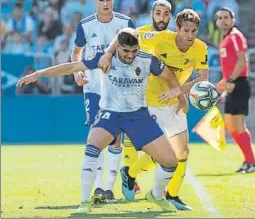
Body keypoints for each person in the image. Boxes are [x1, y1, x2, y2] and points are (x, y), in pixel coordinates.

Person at [17, 28, 184, 213]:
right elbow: (72, 67)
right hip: (110, 114)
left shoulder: (147, 60)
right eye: (125, 51)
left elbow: (169, 75)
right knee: (92, 145)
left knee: (171, 162)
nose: (130, 55)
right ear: (117, 47)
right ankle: (84, 202)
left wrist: (177, 90)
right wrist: (38, 74)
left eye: (133, 51)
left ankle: (156, 195)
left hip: (139, 116)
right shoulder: (105, 58)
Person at [100, 9, 209, 210]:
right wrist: (108, 53)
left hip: (175, 102)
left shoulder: (200, 48)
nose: (190, 35)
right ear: (177, 29)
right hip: (151, 101)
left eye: (194, 31)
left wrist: (179, 93)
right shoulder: (159, 38)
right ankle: (131, 173)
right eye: (186, 30)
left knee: (183, 151)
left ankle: (173, 195)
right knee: (161, 153)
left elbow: (203, 78)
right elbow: (125, 33)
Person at [71, 0, 135, 203]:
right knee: (96, 136)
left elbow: (134, 54)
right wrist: (76, 72)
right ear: (95, 1)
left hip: (119, 89)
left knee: (116, 139)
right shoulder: (86, 25)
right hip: (94, 88)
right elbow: (76, 53)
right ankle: (98, 188)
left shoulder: (126, 22)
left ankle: (108, 188)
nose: (105, 3)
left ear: (114, 0)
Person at [122, 0, 173, 195]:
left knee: (165, 146)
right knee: (134, 142)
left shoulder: (173, 38)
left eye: (166, 14)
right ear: (152, 14)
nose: (161, 17)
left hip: (164, 99)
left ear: (170, 16)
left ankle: (131, 174)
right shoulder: (138, 34)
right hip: (138, 96)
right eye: (158, 13)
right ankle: (132, 177)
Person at [215, 7, 255, 173]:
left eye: (226, 17)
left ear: (232, 19)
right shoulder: (225, 38)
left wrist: (231, 80)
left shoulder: (235, 36)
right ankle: (248, 161)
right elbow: (230, 66)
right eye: (219, 18)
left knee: (239, 126)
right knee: (230, 125)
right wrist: (223, 82)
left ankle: (252, 162)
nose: (223, 20)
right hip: (232, 84)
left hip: (239, 84)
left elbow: (243, 61)